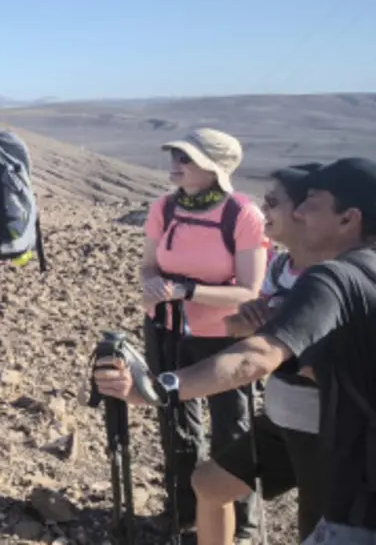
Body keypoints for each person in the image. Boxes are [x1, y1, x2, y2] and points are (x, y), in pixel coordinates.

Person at [95, 157, 376, 545]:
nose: (298, 211)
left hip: (343, 454)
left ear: (349, 219)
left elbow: (253, 358)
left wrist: (158, 389)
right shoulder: (352, 271)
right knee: (210, 483)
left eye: (311, 200)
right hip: (303, 426)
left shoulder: (334, 279)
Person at [137, 128, 268, 539]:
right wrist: (154, 284)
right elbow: (147, 265)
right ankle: (184, 511)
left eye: (186, 158)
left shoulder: (243, 215)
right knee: (176, 420)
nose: (175, 163)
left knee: (233, 428)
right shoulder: (164, 208)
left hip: (226, 335)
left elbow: (249, 289)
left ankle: (241, 527)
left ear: (214, 168)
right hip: (168, 328)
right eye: (175, 154)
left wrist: (189, 290)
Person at [192, 163, 325, 544]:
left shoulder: (336, 277)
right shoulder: (281, 266)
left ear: (305, 213)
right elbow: (237, 327)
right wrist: (257, 323)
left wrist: (174, 385)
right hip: (287, 418)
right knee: (209, 483)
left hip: (329, 428)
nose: (262, 210)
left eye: (271, 202)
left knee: (318, 528)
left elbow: (263, 353)